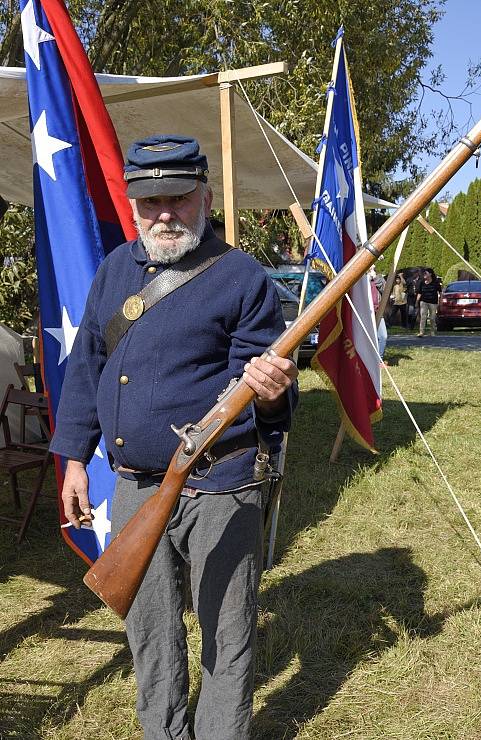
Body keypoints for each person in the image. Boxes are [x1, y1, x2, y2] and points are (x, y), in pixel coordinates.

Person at [49, 135, 298, 740]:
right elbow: (88, 366)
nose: (164, 213)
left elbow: (272, 400)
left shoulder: (242, 278)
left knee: (227, 632)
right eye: (149, 201)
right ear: (132, 204)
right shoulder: (115, 270)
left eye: (178, 199)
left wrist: (271, 390)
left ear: (205, 197)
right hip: (136, 486)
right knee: (151, 632)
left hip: (222, 484)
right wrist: (74, 460)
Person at [416, 267, 442, 336]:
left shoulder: (436, 282)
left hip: (433, 302)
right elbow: (419, 293)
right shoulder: (422, 282)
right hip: (423, 301)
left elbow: (440, 292)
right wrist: (417, 301)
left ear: (430, 274)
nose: (424, 275)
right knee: (423, 317)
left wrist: (440, 301)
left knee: (432, 318)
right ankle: (421, 332)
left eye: (425, 273)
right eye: (423, 273)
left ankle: (432, 331)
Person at [369, 267, 388, 362]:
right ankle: (370, 360)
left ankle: (379, 360)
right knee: (370, 337)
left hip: (378, 312)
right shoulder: (361, 278)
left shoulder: (379, 277)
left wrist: (375, 277)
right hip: (367, 313)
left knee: (383, 336)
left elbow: (385, 289)